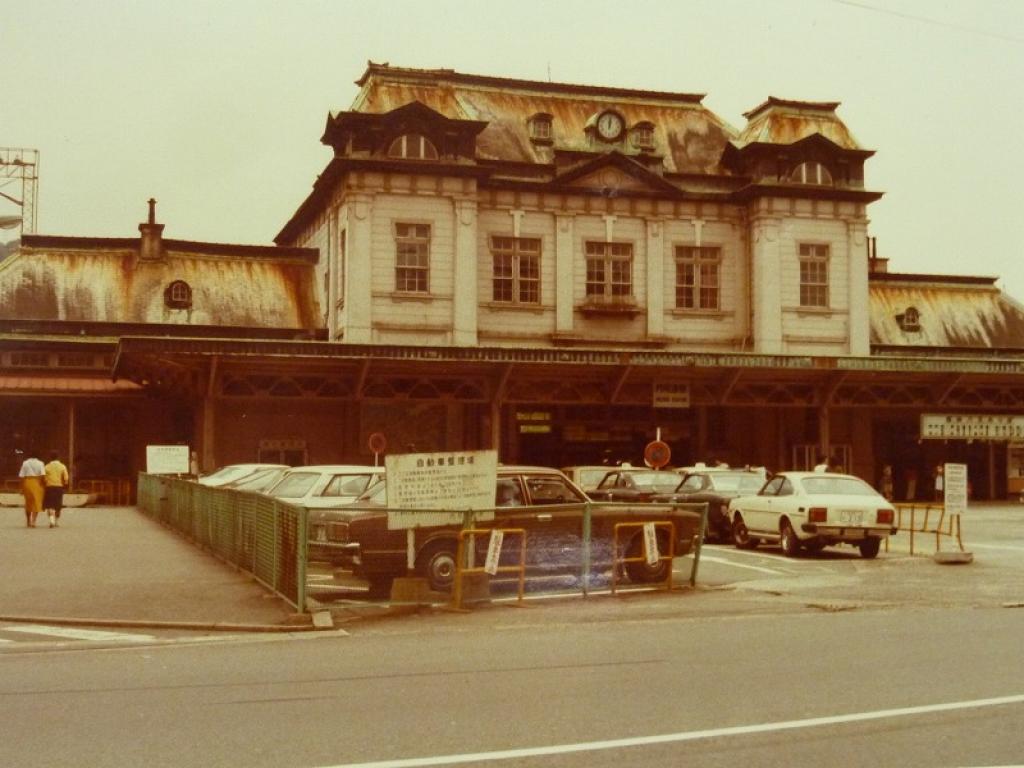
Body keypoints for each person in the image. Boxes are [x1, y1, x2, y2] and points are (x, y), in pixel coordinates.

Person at [18, 450, 46, 527]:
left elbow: (21, 476)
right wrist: (42, 484)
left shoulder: (25, 463)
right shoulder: (41, 463)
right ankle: (33, 521)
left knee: (28, 503)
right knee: (36, 503)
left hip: (27, 482)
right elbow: (42, 475)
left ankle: (28, 521)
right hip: (37, 483)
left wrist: (21, 488)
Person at [43, 450, 70, 528]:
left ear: (50, 458)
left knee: (50, 505)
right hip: (59, 487)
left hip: (49, 487)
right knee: (58, 505)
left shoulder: (47, 466)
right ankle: (56, 521)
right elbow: (66, 478)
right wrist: (65, 484)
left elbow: (44, 478)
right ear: (58, 457)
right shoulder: (62, 466)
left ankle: (51, 520)